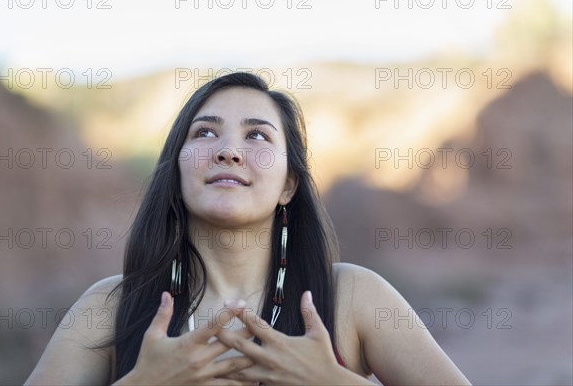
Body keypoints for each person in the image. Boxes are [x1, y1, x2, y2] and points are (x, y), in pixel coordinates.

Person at [25, 72, 472, 385]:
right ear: (176, 170)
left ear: (288, 184)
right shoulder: (110, 306)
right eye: (204, 134)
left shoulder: (353, 298)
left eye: (257, 136)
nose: (229, 152)